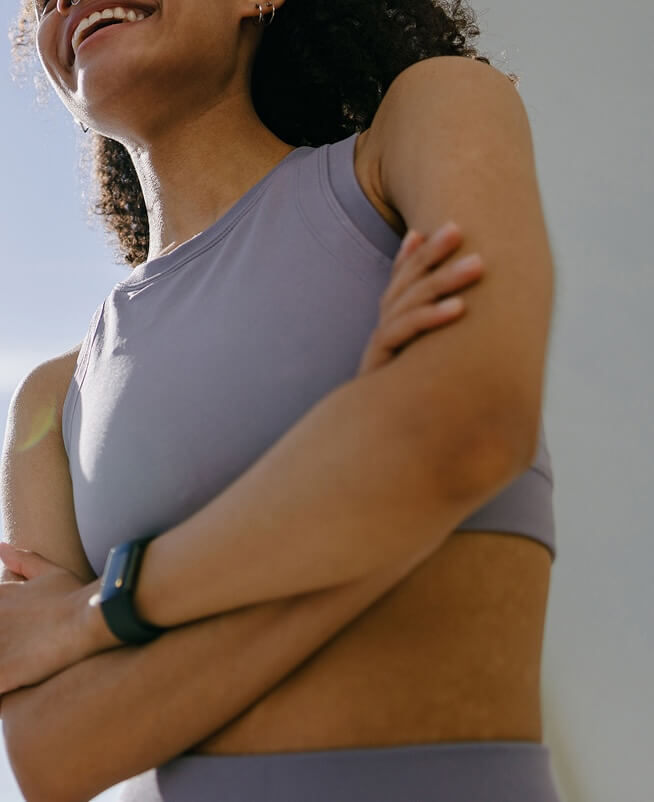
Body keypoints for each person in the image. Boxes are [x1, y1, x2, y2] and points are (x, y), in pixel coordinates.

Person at [1, 1, 559, 801]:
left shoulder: (427, 121)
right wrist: (388, 493)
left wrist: (94, 612)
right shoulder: (50, 402)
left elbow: (469, 437)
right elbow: (53, 757)